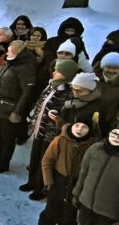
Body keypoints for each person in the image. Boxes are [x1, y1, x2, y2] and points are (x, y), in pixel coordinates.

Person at [37, 113, 97, 225]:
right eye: (77, 125)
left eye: (84, 127)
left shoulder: (93, 147)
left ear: (90, 130)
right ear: (72, 126)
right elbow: (47, 161)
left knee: (69, 216)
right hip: (58, 181)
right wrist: (48, 182)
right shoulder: (60, 140)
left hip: (78, 184)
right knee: (50, 212)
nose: (79, 129)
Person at [22, 59, 80, 199]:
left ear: (66, 74)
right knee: (35, 157)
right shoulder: (51, 86)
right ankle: (31, 181)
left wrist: (57, 118)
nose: (54, 72)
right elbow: (40, 103)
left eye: (58, 71)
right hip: (39, 129)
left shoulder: (69, 93)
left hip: (51, 133)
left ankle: (40, 188)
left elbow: (67, 114)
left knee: (45, 160)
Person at [0, 41, 38, 172]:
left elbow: (26, 92)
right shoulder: (8, 63)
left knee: (8, 136)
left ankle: (4, 162)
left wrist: (17, 111)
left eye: (10, 52)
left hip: (11, 106)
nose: (7, 53)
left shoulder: (26, 68)